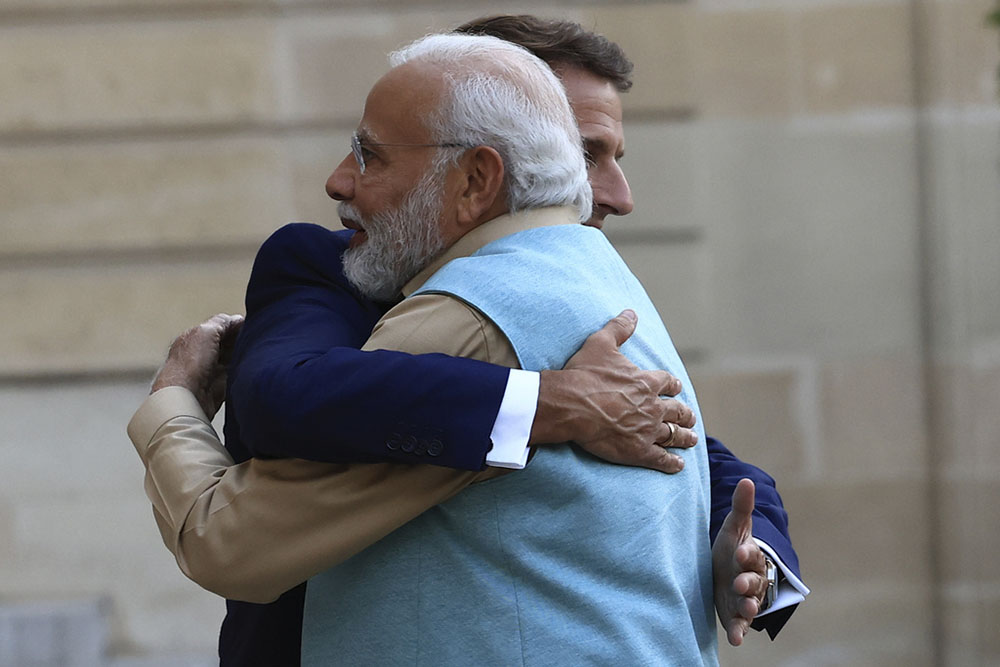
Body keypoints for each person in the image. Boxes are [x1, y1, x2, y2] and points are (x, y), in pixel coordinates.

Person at [126, 17, 806, 666]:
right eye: (577, 148)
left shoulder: (509, 302)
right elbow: (284, 395)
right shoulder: (573, 290)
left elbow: (225, 536)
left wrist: (171, 399)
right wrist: (544, 402)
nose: (615, 192)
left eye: (372, 155)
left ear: (478, 176)